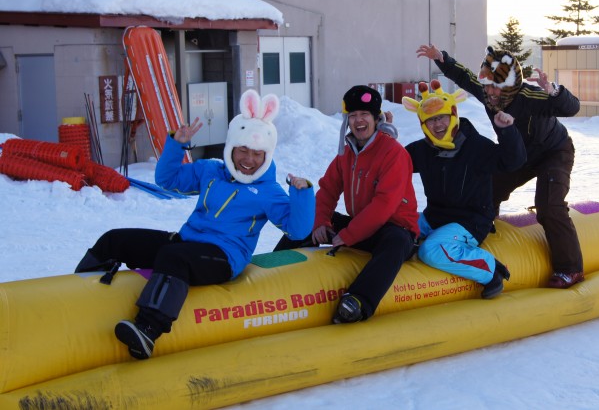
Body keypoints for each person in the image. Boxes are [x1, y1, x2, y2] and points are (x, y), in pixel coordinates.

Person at [74, 89, 315, 359]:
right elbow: (169, 180)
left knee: (174, 257)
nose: (249, 160)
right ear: (231, 148)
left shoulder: (269, 190)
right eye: (243, 150)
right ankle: (74, 295)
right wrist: (177, 145)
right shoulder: (210, 171)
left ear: (266, 156)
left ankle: (148, 329)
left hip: (224, 258)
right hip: (187, 244)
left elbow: (298, 230)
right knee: (115, 239)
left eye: (258, 154)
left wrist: (302, 194)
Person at [416, 43, 585, 288]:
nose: (491, 92)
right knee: (489, 188)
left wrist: (554, 91)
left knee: (549, 205)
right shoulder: (486, 93)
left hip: (553, 151)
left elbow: (571, 108)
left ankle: (570, 269)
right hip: (518, 154)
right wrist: (442, 59)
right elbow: (465, 77)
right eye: (488, 86)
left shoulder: (529, 97)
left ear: (510, 85)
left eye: (497, 86)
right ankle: (478, 234)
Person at [274, 85, 419, 324]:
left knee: (397, 242)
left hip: (393, 228)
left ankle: (359, 301)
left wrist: (350, 234)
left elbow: (384, 204)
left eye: (364, 114)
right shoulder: (347, 153)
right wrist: (321, 222)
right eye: (352, 115)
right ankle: (269, 271)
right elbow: (328, 190)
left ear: (376, 118)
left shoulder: (394, 153)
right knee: (306, 220)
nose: (358, 120)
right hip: (361, 226)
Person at [402, 80, 526, 298]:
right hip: (434, 217)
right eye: (430, 120)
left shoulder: (476, 147)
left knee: (430, 250)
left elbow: (513, 161)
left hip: (471, 221)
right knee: (394, 226)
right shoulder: (423, 150)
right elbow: (395, 163)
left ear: (453, 115)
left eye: (441, 117)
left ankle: (491, 270)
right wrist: (383, 135)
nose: (437, 124)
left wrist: (507, 131)